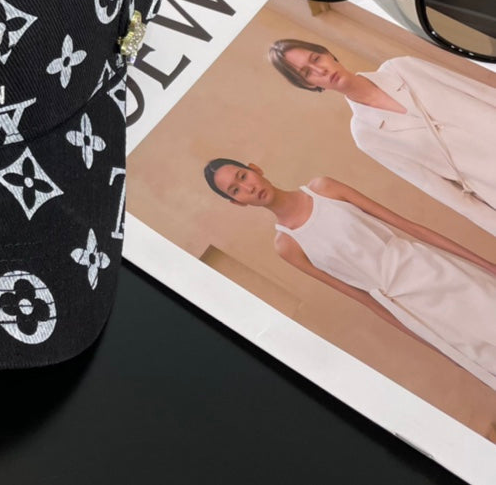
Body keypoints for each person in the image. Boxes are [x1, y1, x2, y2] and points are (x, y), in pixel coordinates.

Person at [204, 158, 496, 390]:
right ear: (237, 203)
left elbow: (409, 227)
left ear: (255, 168)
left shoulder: (323, 189)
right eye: (236, 190)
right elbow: (364, 300)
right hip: (411, 307)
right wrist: (439, 348)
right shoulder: (287, 246)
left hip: (432, 268)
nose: (248, 188)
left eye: (243, 176)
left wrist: (485, 264)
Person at [268, 39, 496, 237]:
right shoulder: (366, 133)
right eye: (307, 73)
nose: (320, 70)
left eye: (316, 59)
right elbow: (435, 187)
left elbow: (479, 92)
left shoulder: (401, 68)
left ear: (328, 54)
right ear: (308, 84)